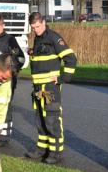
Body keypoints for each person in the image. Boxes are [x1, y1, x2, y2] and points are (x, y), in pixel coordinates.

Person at [25, 12, 77, 164]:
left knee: (52, 120)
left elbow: (71, 59)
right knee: (40, 120)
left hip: (50, 88)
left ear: (44, 21)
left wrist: (62, 78)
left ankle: (56, 153)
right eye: (33, 28)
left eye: (38, 26)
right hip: (38, 88)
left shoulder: (54, 37)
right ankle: (42, 149)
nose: (36, 30)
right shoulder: (38, 38)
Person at [0, 14, 25, 147]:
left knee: (5, 107)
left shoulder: (10, 40)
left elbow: (20, 59)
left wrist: (12, 73)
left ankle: (4, 136)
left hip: (7, 80)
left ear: (3, 26)